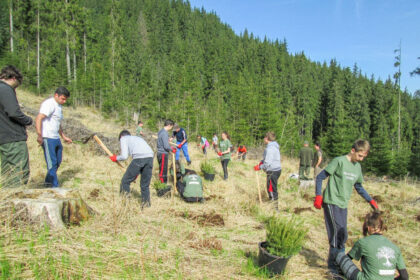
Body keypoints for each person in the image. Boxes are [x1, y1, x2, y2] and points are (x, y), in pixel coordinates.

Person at [313, 139, 379, 278]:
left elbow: (359, 187)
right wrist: (318, 196)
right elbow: (320, 177)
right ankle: (332, 267)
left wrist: (371, 200)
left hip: (343, 204)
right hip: (331, 201)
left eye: (363, 157)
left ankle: (340, 264)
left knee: (343, 235)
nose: (361, 159)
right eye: (360, 156)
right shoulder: (339, 161)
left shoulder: (357, 168)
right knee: (337, 235)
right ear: (353, 150)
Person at [335, 211, 408, 280]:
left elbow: (348, 259)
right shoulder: (395, 247)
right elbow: (404, 276)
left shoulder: (363, 242)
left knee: (340, 256)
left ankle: (336, 276)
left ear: (368, 227)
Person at [0, 65, 33, 186]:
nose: (17, 87)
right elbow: (13, 112)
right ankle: (16, 200)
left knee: (7, 173)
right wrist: (28, 120)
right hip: (13, 139)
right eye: (18, 84)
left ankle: (7, 200)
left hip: (3, 140)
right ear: (13, 78)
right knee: (19, 173)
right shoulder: (5, 89)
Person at [35, 87, 72, 188]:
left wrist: (63, 136)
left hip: (56, 137)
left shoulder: (59, 106)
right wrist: (39, 135)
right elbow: (39, 118)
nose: (64, 101)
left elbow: (57, 123)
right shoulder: (49, 104)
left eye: (65, 99)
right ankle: (55, 187)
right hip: (47, 137)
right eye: (63, 99)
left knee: (58, 161)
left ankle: (48, 183)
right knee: (52, 163)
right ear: (56, 95)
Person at [110, 130, 154, 208]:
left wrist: (115, 158)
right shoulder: (137, 138)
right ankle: (146, 205)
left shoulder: (123, 139)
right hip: (150, 157)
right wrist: (136, 172)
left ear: (121, 136)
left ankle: (125, 203)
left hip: (139, 158)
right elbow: (143, 156)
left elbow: (124, 156)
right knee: (145, 185)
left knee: (125, 181)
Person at [254, 131, 281, 211]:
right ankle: (272, 205)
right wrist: (261, 162)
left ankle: (274, 208)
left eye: (264, 137)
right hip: (276, 170)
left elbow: (268, 163)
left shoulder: (270, 149)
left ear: (267, 138)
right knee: (271, 188)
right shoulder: (274, 146)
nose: (263, 139)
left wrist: (260, 167)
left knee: (272, 189)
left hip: (273, 171)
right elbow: (267, 159)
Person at [157, 119, 176, 184]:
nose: (171, 128)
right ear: (169, 125)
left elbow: (163, 141)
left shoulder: (161, 131)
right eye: (171, 127)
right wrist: (172, 149)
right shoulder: (164, 133)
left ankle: (163, 183)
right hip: (163, 153)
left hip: (161, 153)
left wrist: (168, 140)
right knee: (163, 170)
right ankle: (162, 185)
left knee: (163, 169)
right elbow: (166, 146)